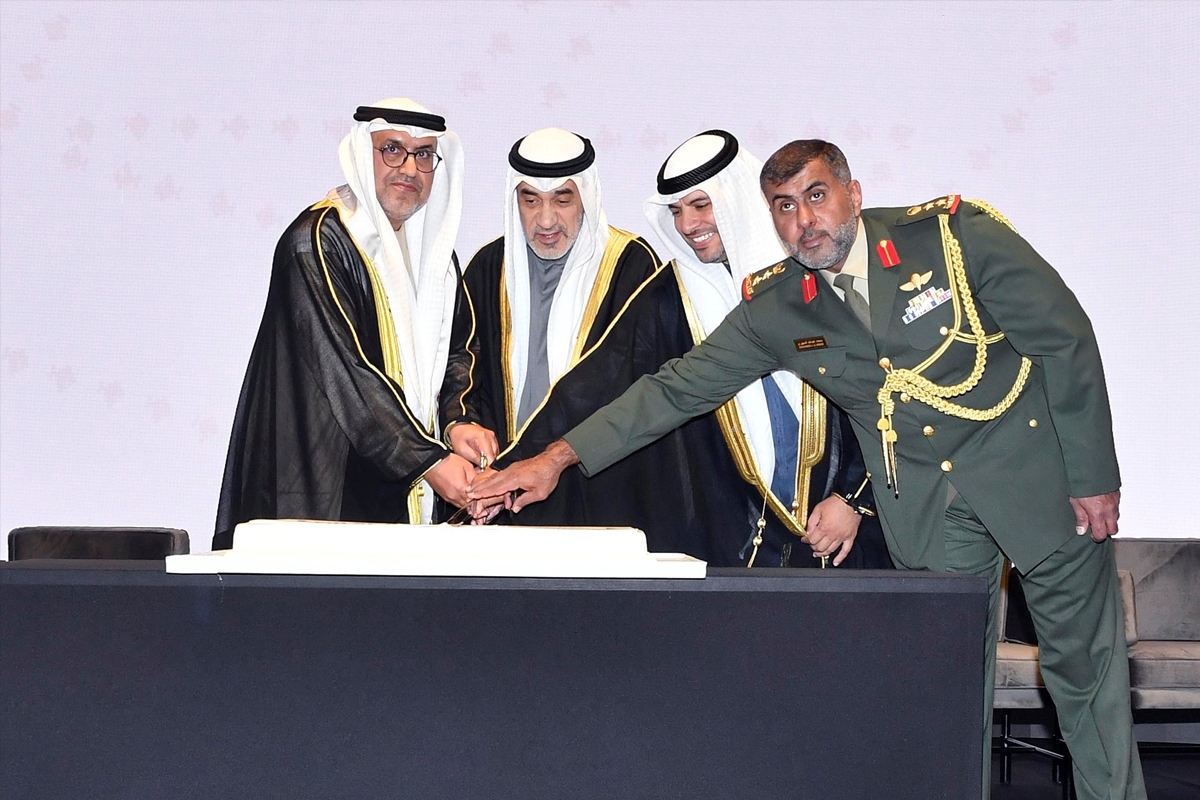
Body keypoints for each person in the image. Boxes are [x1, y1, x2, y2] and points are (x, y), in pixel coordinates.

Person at [470, 140, 1144, 798]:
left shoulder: (950, 238)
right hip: (930, 515)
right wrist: (556, 458)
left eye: (816, 196)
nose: (804, 220)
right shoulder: (780, 306)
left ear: (854, 193)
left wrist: (1093, 476)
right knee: (944, 697)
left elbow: (1064, 339)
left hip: (1039, 484)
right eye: (785, 206)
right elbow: (675, 389)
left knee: (1087, 679)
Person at [214, 98, 481, 548]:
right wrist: (429, 461)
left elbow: (457, 349)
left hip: (408, 481)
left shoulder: (434, 255)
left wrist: (458, 421)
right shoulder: (317, 241)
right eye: (392, 150)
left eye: (423, 155)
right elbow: (346, 372)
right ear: (361, 153)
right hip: (327, 487)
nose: (409, 169)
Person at [445, 127, 659, 460]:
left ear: (585, 197)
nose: (546, 220)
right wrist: (462, 423)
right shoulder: (489, 266)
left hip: (596, 470)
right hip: (501, 471)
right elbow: (463, 362)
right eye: (530, 200)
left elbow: (647, 387)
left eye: (562, 200)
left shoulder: (630, 265)